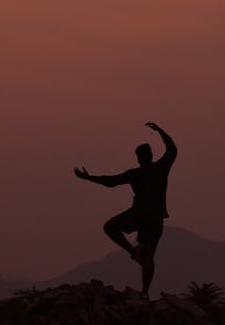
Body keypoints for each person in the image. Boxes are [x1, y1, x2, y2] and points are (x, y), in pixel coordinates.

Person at [74, 121, 177, 298]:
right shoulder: (161, 168)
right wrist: (160, 131)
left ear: (138, 157)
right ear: (151, 155)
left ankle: (132, 252)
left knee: (110, 227)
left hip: (138, 215)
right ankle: (144, 292)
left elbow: (110, 182)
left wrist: (88, 177)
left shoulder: (135, 174)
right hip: (156, 218)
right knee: (149, 257)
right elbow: (172, 149)